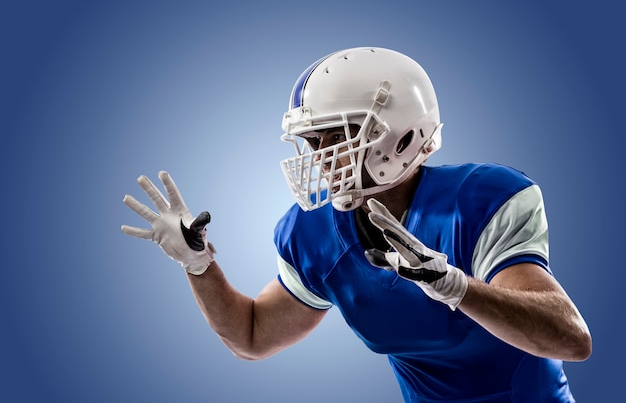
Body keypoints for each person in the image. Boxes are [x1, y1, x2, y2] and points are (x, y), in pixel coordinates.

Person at [121, 47, 592, 402]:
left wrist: (456, 288)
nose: (321, 158)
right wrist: (199, 266)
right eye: (313, 141)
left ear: (403, 132)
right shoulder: (314, 232)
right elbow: (250, 336)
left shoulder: (480, 200)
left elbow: (571, 339)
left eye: (336, 137)